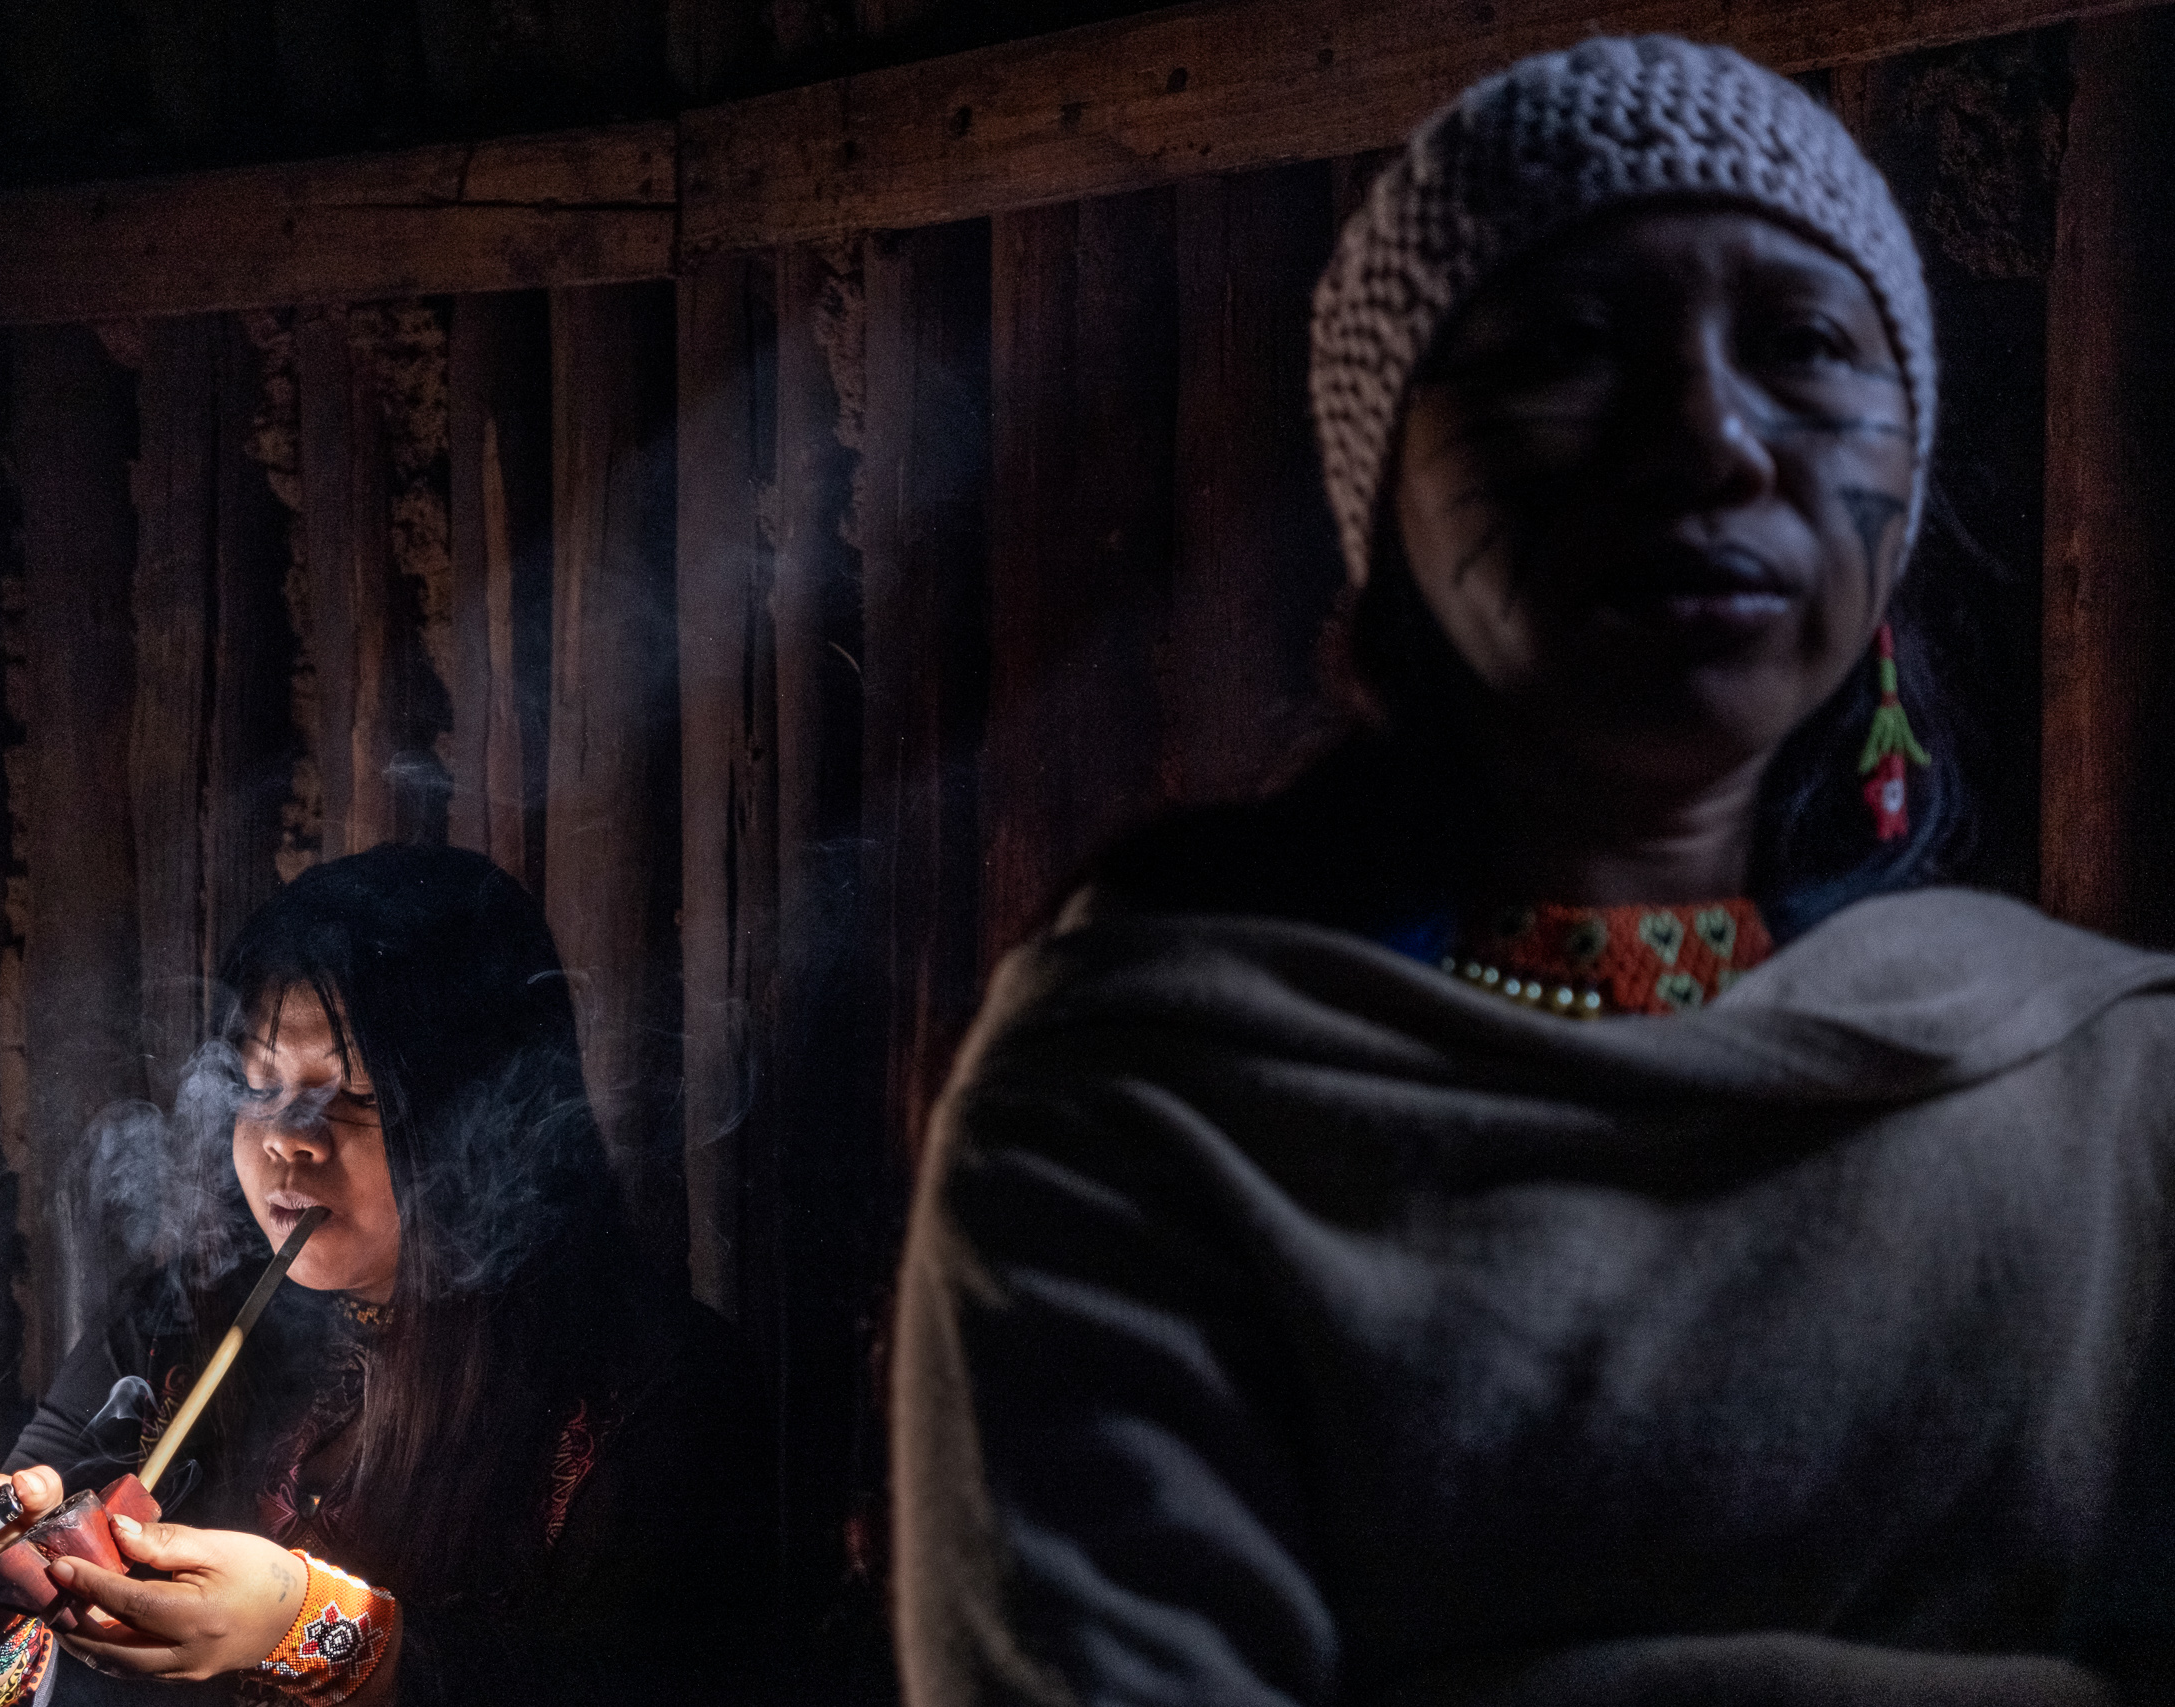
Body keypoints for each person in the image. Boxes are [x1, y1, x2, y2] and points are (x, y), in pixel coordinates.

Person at [891, 36, 2175, 1707]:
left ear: (1905, 477)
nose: (1710, 439)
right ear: (1388, 485)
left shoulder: (2117, 1086)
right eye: (1568, 347)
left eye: (1801, 346)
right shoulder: (1141, 1104)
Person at [0, 843, 768, 1705]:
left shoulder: (654, 1388)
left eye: (357, 1096)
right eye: (256, 1084)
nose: (286, 1135)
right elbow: (12, 1639)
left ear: (499, 1117)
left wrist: (318, 1632)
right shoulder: (170, 1331)